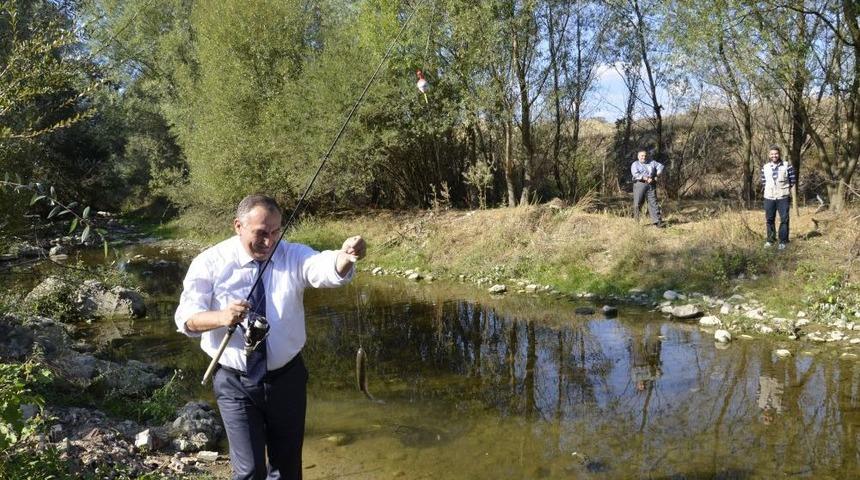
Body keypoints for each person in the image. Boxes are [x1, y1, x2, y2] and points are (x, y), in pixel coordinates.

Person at [175, 194, 366, 480]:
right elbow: (187, 318)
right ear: (238, 226)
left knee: (287, 469)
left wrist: (345, 256)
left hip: (287, 378)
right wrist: (221, 317)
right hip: (235, 382)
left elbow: (322, 267)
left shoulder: (292, 255)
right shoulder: (210, 262)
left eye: (276, 232)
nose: (270, 241)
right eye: (261, 233)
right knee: (250, 470)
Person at [761, 145, 796, 250]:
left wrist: (785, 191)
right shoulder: (765, 167)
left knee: (784, 220)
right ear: (769, 155)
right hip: (769, 197)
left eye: (776, 153)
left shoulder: (787, 166)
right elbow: (764, 182)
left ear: (779, 154)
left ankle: (783, 241)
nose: (774, 156)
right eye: (772, 154)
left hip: (783, 197)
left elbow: (792, 181)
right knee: (769, 219)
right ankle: (770, 240)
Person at [630, 149, 665, 227]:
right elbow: (636, 174)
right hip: (640, 184)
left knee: (653, 202)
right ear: (638, 156)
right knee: (638, 203)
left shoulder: (652, 162)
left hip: (651, 184)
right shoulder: (635, 164)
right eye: (642, 156)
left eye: (645, 155)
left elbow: (661, 166)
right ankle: (637, 222)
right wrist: (646, 178)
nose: (644, 157)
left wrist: (657, 175)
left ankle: (657, 222)